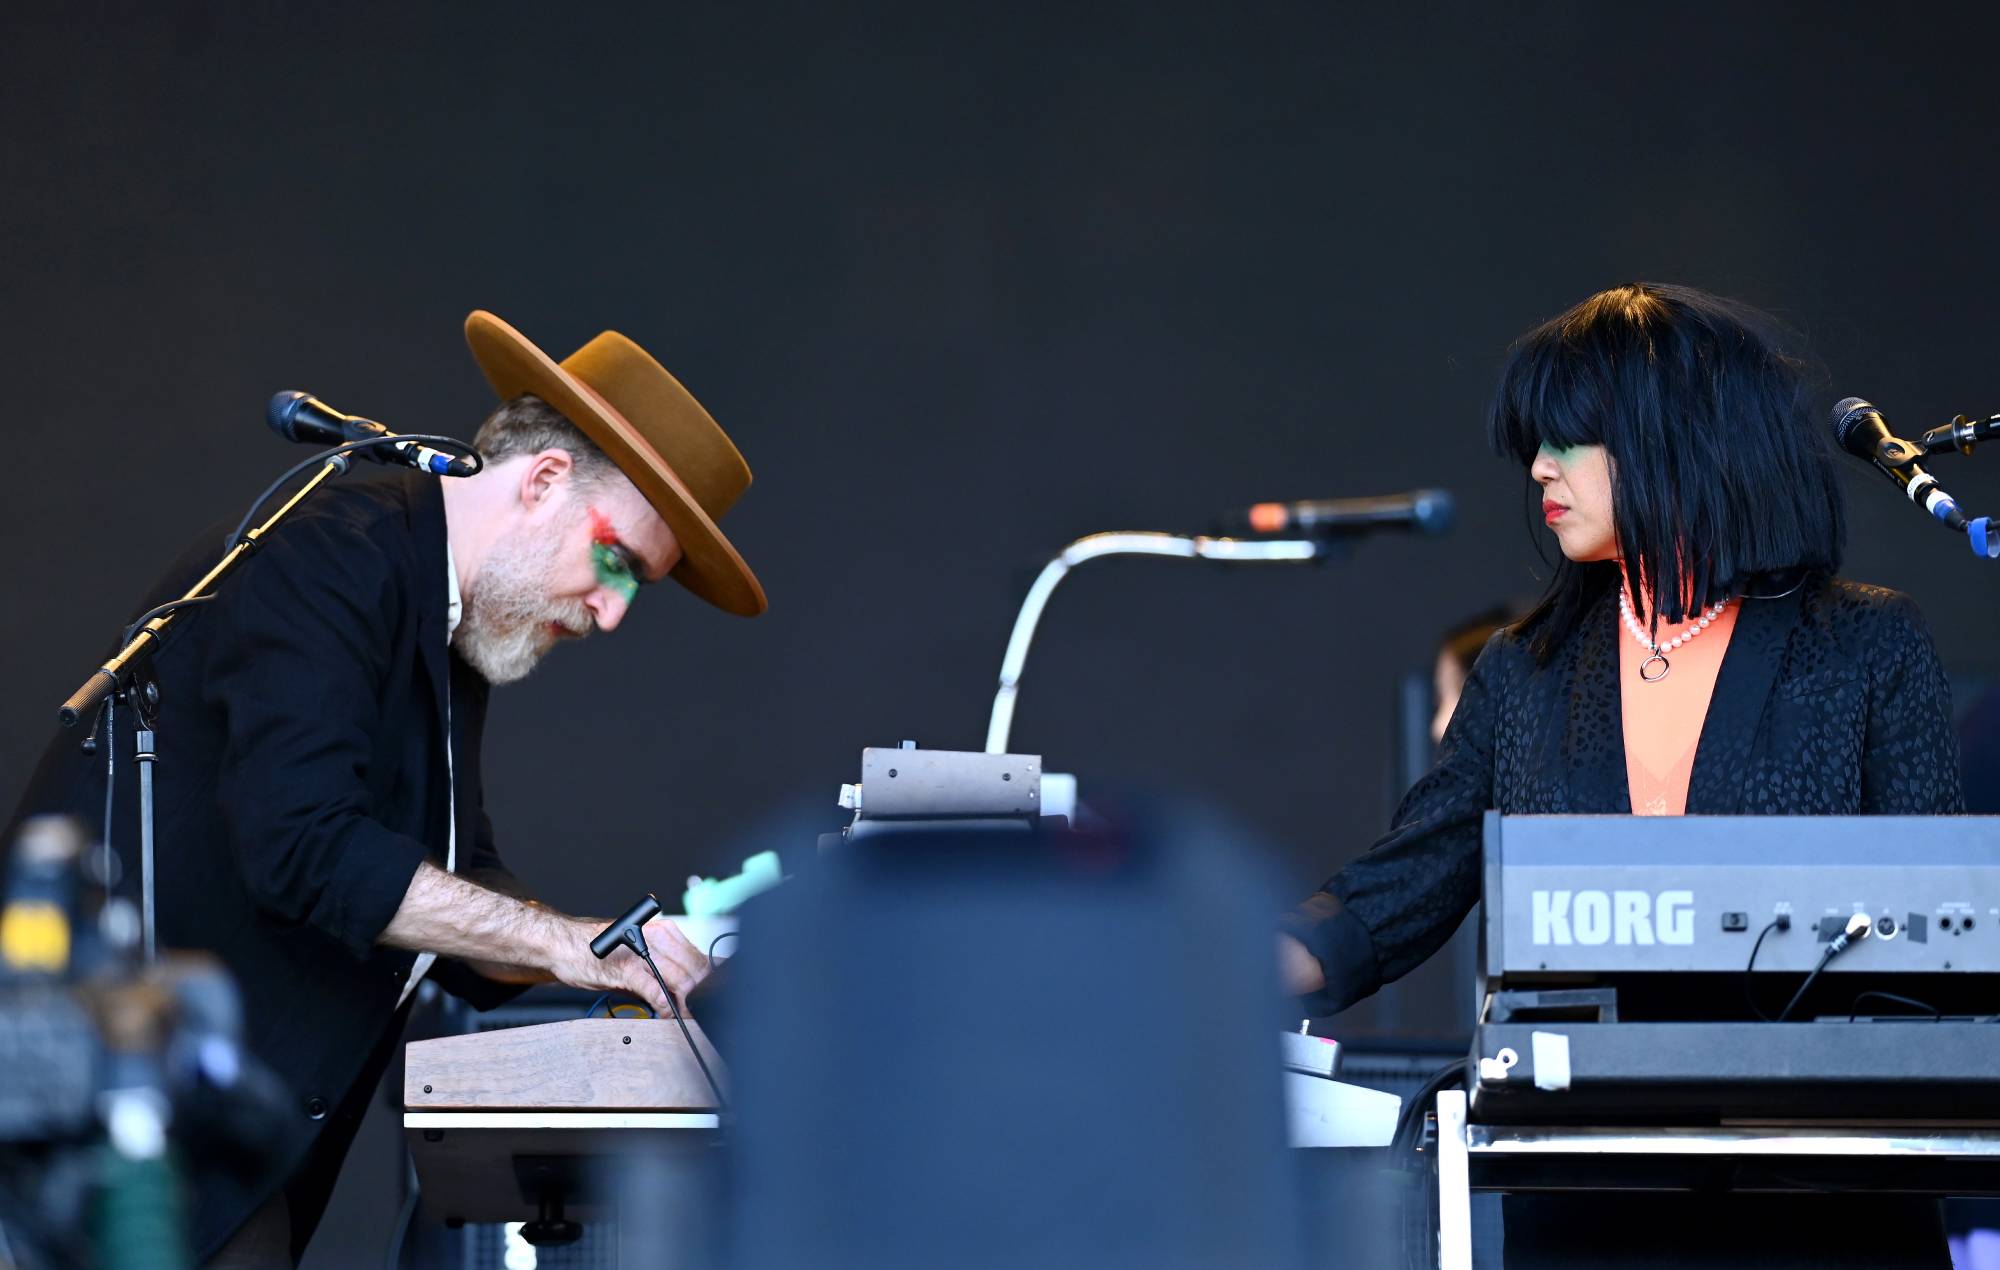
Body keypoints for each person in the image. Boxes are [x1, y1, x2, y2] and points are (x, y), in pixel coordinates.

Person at [8, 312, 765, 1266]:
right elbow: (306, 848)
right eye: (617, 562)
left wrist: (631, 954)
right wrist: (568, 947)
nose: (613, 612)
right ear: (542, 482)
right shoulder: (334, 553)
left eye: (637, 588)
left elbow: (455, 875)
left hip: (219, 1150)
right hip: (93, 1131)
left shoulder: (452, 628)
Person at [1277, 283, 1964, 1267]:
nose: (1537, 468)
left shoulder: (1862, 646)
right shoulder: (1526, 670)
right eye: (1533, 442)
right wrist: (1216, 975)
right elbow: (1398, 885)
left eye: (1566, 440)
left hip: (1825, 1192)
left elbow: (1940, 942)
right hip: (1589, 1198)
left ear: (1671, 439)